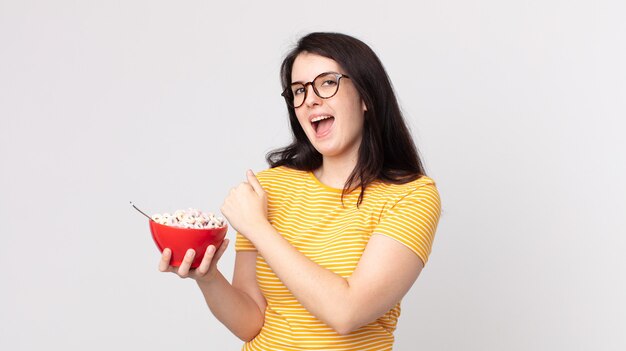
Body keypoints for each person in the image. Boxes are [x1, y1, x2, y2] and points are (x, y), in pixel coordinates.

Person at [159, 32, 441, 350]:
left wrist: (257, 227)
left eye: (326, 83)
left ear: (367, 96)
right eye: (298, 91)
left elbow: (346, 312)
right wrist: (207, 277)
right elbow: (250, 323)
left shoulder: (411, 197)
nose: (310, 99)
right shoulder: (270, 187)